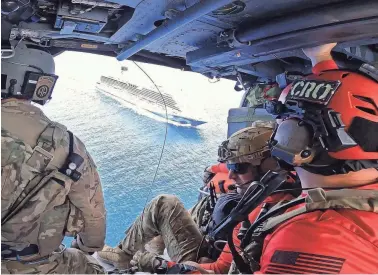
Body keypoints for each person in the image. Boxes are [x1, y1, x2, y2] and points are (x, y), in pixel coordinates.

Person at [240, 43, 378, 274]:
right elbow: (340, 101)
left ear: (296, 141)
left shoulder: (313, 237)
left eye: (282, 124)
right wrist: (320, 58)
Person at [97, 123, 290, 273]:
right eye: (231, 168)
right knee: (166, 210)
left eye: (238, 168)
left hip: (200, 265)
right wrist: (215, 169)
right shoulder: (282, 188)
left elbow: (219, 270)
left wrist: (155, 264)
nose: (231, 176)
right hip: (210, 246)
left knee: (162, 207)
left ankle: (124, 255)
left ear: (268, 167)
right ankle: (124, 254)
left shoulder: (258, 216)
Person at [1, 42, 106, 273]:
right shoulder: (68, 145)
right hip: (31, 265)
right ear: (40, 84)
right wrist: (88, 246)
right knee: (93, 267)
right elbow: (93, 212)